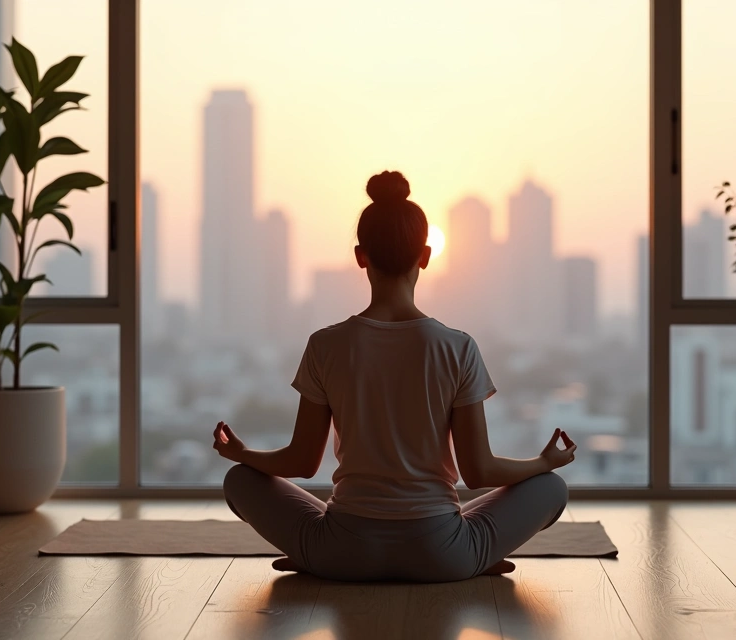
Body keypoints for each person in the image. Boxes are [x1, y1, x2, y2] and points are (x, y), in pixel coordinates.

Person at [214, 170, 576, 582]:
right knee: (551, 488)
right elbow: (478, 472)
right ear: (425, 255)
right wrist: (544, 462)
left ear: (360, 255)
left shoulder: (325, 345)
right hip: (442, 555)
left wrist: (242, 454)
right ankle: (475, 558)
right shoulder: (457, 347)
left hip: (341, 552)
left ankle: (313, 558)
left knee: (239, 481)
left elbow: (301, 462)